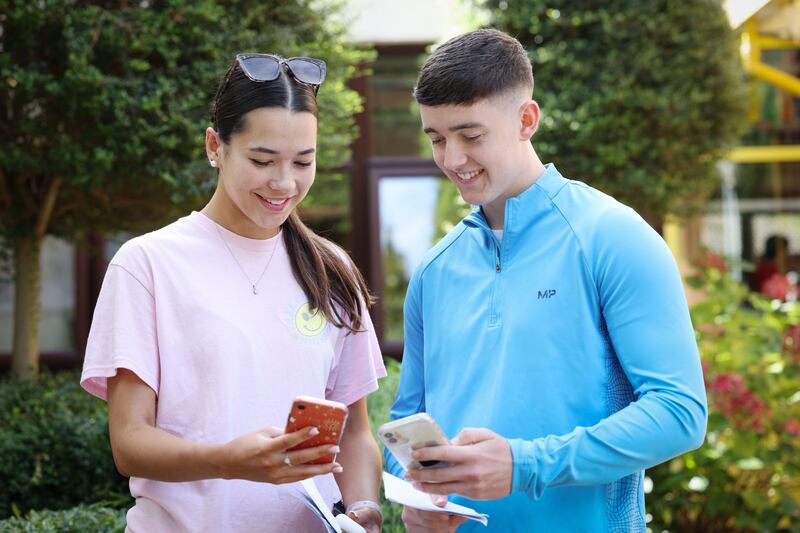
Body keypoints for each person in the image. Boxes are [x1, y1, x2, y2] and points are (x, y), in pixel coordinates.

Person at [385, 29, 708, 532]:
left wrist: (524, 465)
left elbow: (680, 413)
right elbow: (406, 429)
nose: (451, 159)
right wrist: (418, 497)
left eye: (470, 136)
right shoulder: (433, 270)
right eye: (437, 138)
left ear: (525, 120)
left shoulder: (612, 236)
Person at [81, 53, 386, 533]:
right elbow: (129, 442)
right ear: (214, 146)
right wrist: (228, 461)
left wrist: (365, 510)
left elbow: (355, 433)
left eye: (303, 162)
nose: (284, 184)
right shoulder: (148, 265)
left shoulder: (333, 271)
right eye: (262, 160)